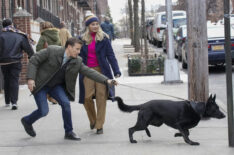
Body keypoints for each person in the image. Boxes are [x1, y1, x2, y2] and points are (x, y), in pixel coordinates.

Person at [21, 37, 117, 140]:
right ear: (69, 47)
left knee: (66, 104)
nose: (79, 52)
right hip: (41, 84)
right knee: (43, 111)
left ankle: (69, 132)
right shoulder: (52, 50)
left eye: (80, 49)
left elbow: (89, 72)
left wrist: (106, 80)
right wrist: (31, 79)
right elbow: (34, 60)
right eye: (77, 49)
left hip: (55, 86)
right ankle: (27, 121)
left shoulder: (77, 61)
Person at [79, 13, 121, 134]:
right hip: (87, 71)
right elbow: (78, 56)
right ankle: (93, 120)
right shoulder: (81, 39)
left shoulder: (104, 38)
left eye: (97, 24)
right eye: (93, 24)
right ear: (88, 26)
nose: (96, 26)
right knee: (87, 97)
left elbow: (110, 55)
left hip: (102, 71)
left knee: (101, 97)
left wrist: (116, 70)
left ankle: (99, 125)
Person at [0, 18, 34, 110]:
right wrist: (32, 56)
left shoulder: (1, 35)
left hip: (3, 62)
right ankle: (14, 102)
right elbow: (28, 48)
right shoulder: (19, 35)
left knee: (6, 80)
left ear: (3, 25)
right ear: (12, 24)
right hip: (15, 61)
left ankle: (7, 101)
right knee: (14, 81)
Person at [36, 21, 61, 104]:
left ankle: (47, 95)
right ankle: (53, 97)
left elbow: (38, 48)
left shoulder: (43, 37)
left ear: (43, 28)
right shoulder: (57, 35)